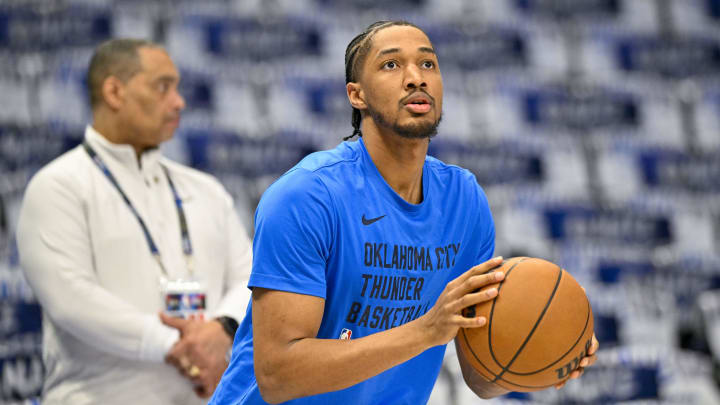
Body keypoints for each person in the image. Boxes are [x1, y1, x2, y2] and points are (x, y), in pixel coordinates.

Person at [210, 20, 598, 405]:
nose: (416, 77)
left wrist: (551, 351)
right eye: (391, 65)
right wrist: (427, 330)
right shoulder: (308, 195)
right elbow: (279, 375)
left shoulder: (464, 201)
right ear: (356, 95)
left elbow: (481, 377)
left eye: (428, 64)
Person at [16, 39, 252, 404]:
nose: (179, 102)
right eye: (163, 87)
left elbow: (251, 277)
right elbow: (72, 300)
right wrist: (180, 345)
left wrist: (223, 330)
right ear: (114, 91)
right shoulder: (58, 187)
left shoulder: (206, 190)